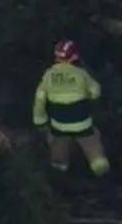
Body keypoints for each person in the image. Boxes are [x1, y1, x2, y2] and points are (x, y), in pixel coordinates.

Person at [32, 40, 111, 177]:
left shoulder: (48, 75)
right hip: (82, 122)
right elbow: (95, 91)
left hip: (59, 124)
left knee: (57, 144)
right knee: (93, 143)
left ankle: (59, 170)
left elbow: (39, 99)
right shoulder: (81, 73)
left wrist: (40, 121)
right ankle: (102, 172)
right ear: (74, 56)